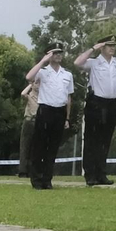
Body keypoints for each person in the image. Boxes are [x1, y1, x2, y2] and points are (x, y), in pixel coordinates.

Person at [72, 37, 116, 187]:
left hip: (111, 104)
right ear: (102, 47)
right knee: (92, 140)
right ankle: (90, 174)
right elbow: (77, 63)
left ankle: (101, 173)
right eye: (109, 45)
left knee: (105, 140)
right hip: (96, 103)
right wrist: (93, 48)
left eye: (113, 46)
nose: (112, 48)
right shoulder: (94, 62)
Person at [25, 45, 76, 189]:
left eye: (60, 53)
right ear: (49, 55)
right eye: (55, 53)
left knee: (53, 148)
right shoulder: (42, 71)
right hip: (45, 110)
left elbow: (68, 98)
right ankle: (36, 179)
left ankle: (47, 179)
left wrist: (67, 118)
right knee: (39, 146)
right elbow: (29, 77)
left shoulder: (67, 74)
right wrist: (43, 61)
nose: (58, 55)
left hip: (59, 112)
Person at [18, 77, 39, 180]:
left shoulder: (43, 97)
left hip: (38, 122)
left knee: (35, 147)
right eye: (36, 83)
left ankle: (32, 170)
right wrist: (31, 84)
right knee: (25, 146)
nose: (38, 85)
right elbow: (23, 94)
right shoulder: (29, 96)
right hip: (29, 121)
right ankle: (22, 171)